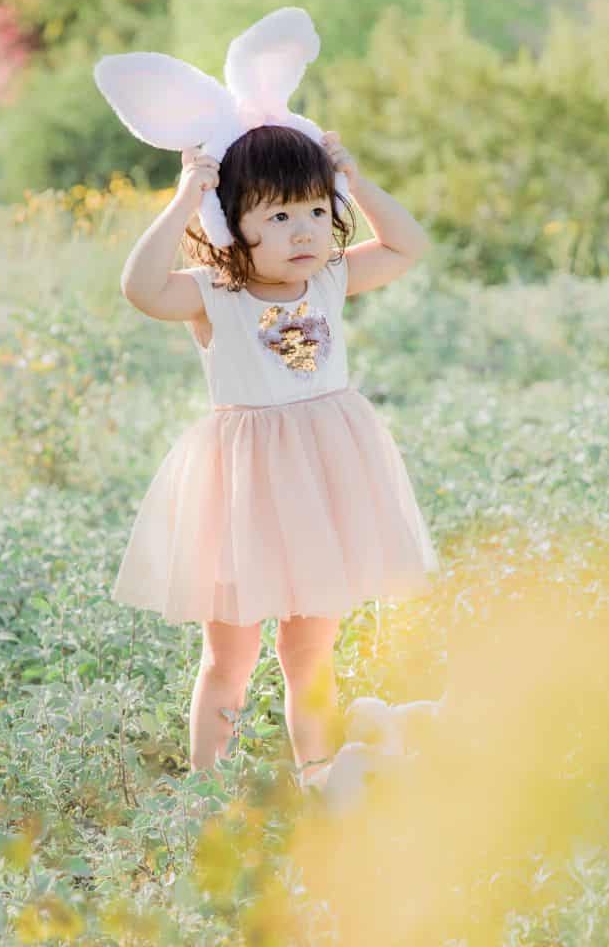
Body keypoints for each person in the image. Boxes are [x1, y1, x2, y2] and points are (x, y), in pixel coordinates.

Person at [112, 125, 439, 786]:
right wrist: (184, 199)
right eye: (280, 214)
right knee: (230, 656)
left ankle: (317, 779)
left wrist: (355, 180)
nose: (304, 233)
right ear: (231, 221)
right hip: (244, 493)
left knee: (311, 652)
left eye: (318, 210)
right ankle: (207, 792)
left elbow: (409, 245)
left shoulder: (329, 280)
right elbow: (140, 289)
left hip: (324, 484)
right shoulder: (213, 293)